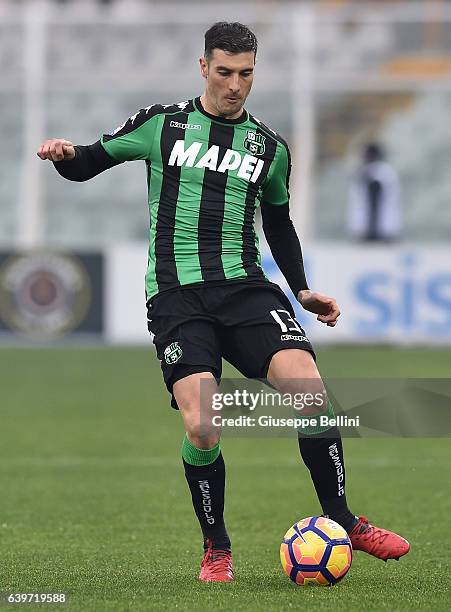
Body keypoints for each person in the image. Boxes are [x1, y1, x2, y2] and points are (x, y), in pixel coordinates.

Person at [37, 21, 409, 583]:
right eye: (225, 72)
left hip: (245, 289)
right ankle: (217, 547)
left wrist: (302, 287)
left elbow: (279, 224)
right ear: (203, 67)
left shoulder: (268, 147)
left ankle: (342, 520)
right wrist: (65, 154)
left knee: (311, 394)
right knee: (203, 426)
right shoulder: (162, 125)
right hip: (177, 295)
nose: (236, 85)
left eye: (247, 74)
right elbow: (88, 160)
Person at [348, 143, 402, 242]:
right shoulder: (385, 172)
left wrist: (372, 230)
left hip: (379, 231)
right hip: (377, 230)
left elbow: (374, 199)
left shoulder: (378, 173)